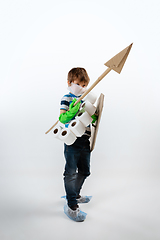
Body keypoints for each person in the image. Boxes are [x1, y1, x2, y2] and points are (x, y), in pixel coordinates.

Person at [59, 67, 97, 222]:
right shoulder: (67, 98)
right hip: (72, 140)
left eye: (84, 85)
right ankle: (72, 205)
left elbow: (91, 119)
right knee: (70, 173)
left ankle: (74, 194)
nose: (81, 88)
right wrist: (72, 111)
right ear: (69, 83)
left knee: (85, 171)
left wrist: (92, 115)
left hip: (85, 140)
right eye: (77, 84)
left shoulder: (86, 99)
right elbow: (62, 119)